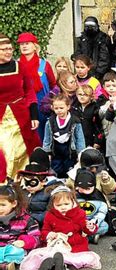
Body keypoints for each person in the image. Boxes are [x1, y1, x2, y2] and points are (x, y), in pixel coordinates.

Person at [19, 185, 101, 270]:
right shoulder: (50, 215)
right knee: (44, 255)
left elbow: (86, 230)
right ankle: (50, 264)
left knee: (74, 258)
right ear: (52, 205)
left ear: (73, 202)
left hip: (74, 245)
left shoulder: (80, 213)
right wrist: (49, 234)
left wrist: (90, 226)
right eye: (58, 205)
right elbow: (44, 231)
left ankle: (60, 266)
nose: (63, 207)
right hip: (56, 244)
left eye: (66, 204)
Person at [0, 33, 41, 178]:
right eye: (4, 49)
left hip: (20, 115)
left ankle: (23, 183)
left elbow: (29, 91)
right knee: (5, 152)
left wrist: (34, 115)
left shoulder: (20, 66)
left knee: (23, 150)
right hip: (1, 119)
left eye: (10, 48)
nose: (8, 52)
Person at [17, 32, 56, 142]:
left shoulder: (44, 65)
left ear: (35, 46)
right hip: (23, 107)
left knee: (43, 137)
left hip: (42, 107)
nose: (24, 46)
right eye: (21, 44)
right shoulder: (16, 66)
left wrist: (50, 104)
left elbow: (53, 86)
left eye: (27, 43)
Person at [0, 183, 40, 270]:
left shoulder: (25, 219)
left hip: (12, 249)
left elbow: (36, 237)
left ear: (13, 203)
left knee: (18, 252)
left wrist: (24, 242)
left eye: (2, 205)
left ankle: (4, 264)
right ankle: (3, 266)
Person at [43, 94, 86, 178]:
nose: (59, 110)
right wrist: (47, 153)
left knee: (69, 170)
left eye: (61, 108)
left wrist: (80, 154)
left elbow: (80, 139)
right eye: (56, 108)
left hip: (70, 151)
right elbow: (47, 138)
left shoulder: (75, 121)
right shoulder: (50, 122)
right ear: (52, 108)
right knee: (56, 170)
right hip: (56, 151)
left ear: (68, 107)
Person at [17, 148, 56, 226]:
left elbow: (50, 213)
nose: (28, 186)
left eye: (32, 182)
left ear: (43, 181)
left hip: (43, 227)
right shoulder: (22, 191)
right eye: (26, 182)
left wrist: (29, 218)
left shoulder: (50, 192)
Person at [74, 169, 109, 244]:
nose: (85, 191)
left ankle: (85, 236)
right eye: (82, 188)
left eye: (87, 188)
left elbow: (102, 212)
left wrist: (94, 222)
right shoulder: (74, 196)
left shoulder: (98, 196)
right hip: (78, 222)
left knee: (105, 226)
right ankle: (88, 236)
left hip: (93, 221)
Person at [72, 84, 104, 149]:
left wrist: (97, 141)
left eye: (85, 95)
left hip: (90, 141)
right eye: (80, 94)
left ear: (91, 97)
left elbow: (99, 127)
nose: (82, 97)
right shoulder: (74, 108)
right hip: (76, 141)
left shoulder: (95, 109)